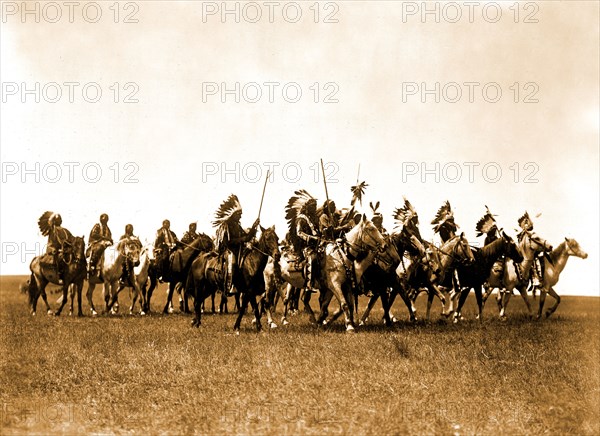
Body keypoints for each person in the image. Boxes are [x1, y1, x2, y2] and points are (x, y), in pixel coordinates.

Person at [213, 195, 260, 295]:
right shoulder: (226, 226)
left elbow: (246, 237)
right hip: (229, 250)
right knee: (233, 263)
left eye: (240, 214)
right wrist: (242, 239)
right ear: (233, 214)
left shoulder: (237, 225)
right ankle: (231, 285)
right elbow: (228, 242)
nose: (240, 216)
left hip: (239, 249)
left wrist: (253, 227)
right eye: (239, 214)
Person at [285, 190, 321, 291]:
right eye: (312, 207)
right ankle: (309, 284)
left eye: (315, 206)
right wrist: (312, 238)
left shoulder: (313, 219)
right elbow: (299, 233)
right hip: (303, 247)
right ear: (307, 207)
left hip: (314, 245)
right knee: (312, 258)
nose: (314, 209)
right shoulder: (301, 219)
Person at [517, 212, 552, 290]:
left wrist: (528, 217)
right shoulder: (522, 234)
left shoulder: (527, 233)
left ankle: (536, 281)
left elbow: (531, 226)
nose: (527, 224)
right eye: (525, 222)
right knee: (535, 263)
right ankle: (536, 280)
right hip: (525, 253)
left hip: (528, 251)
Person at [37, 211, 74, 285]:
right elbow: (51, 243)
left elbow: (71, 238)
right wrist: (55, 249)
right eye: (58, 220)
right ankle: (60, 276)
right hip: (53, 250)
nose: (59, 222)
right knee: (60, 258)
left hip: (64, 250)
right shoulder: (52, 231)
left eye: (59, 220)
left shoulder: (65, 230)